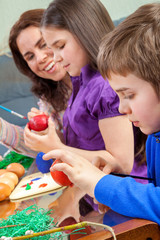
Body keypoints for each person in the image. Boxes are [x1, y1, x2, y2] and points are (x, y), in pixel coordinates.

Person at [23, 0, 147, 223]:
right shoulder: (80, 82)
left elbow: (121, 162)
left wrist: (57, 147)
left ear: (85, 32)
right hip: (95, 199)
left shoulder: (103, 86)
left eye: (60, 46)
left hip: (123, 203)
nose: (55, 57)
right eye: (51, 48)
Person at [0, 8, 70, 159]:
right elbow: (46, 148)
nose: (40, 58)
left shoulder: (101, 82)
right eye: (30, 56)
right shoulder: (49, 98)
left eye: (44, 44)